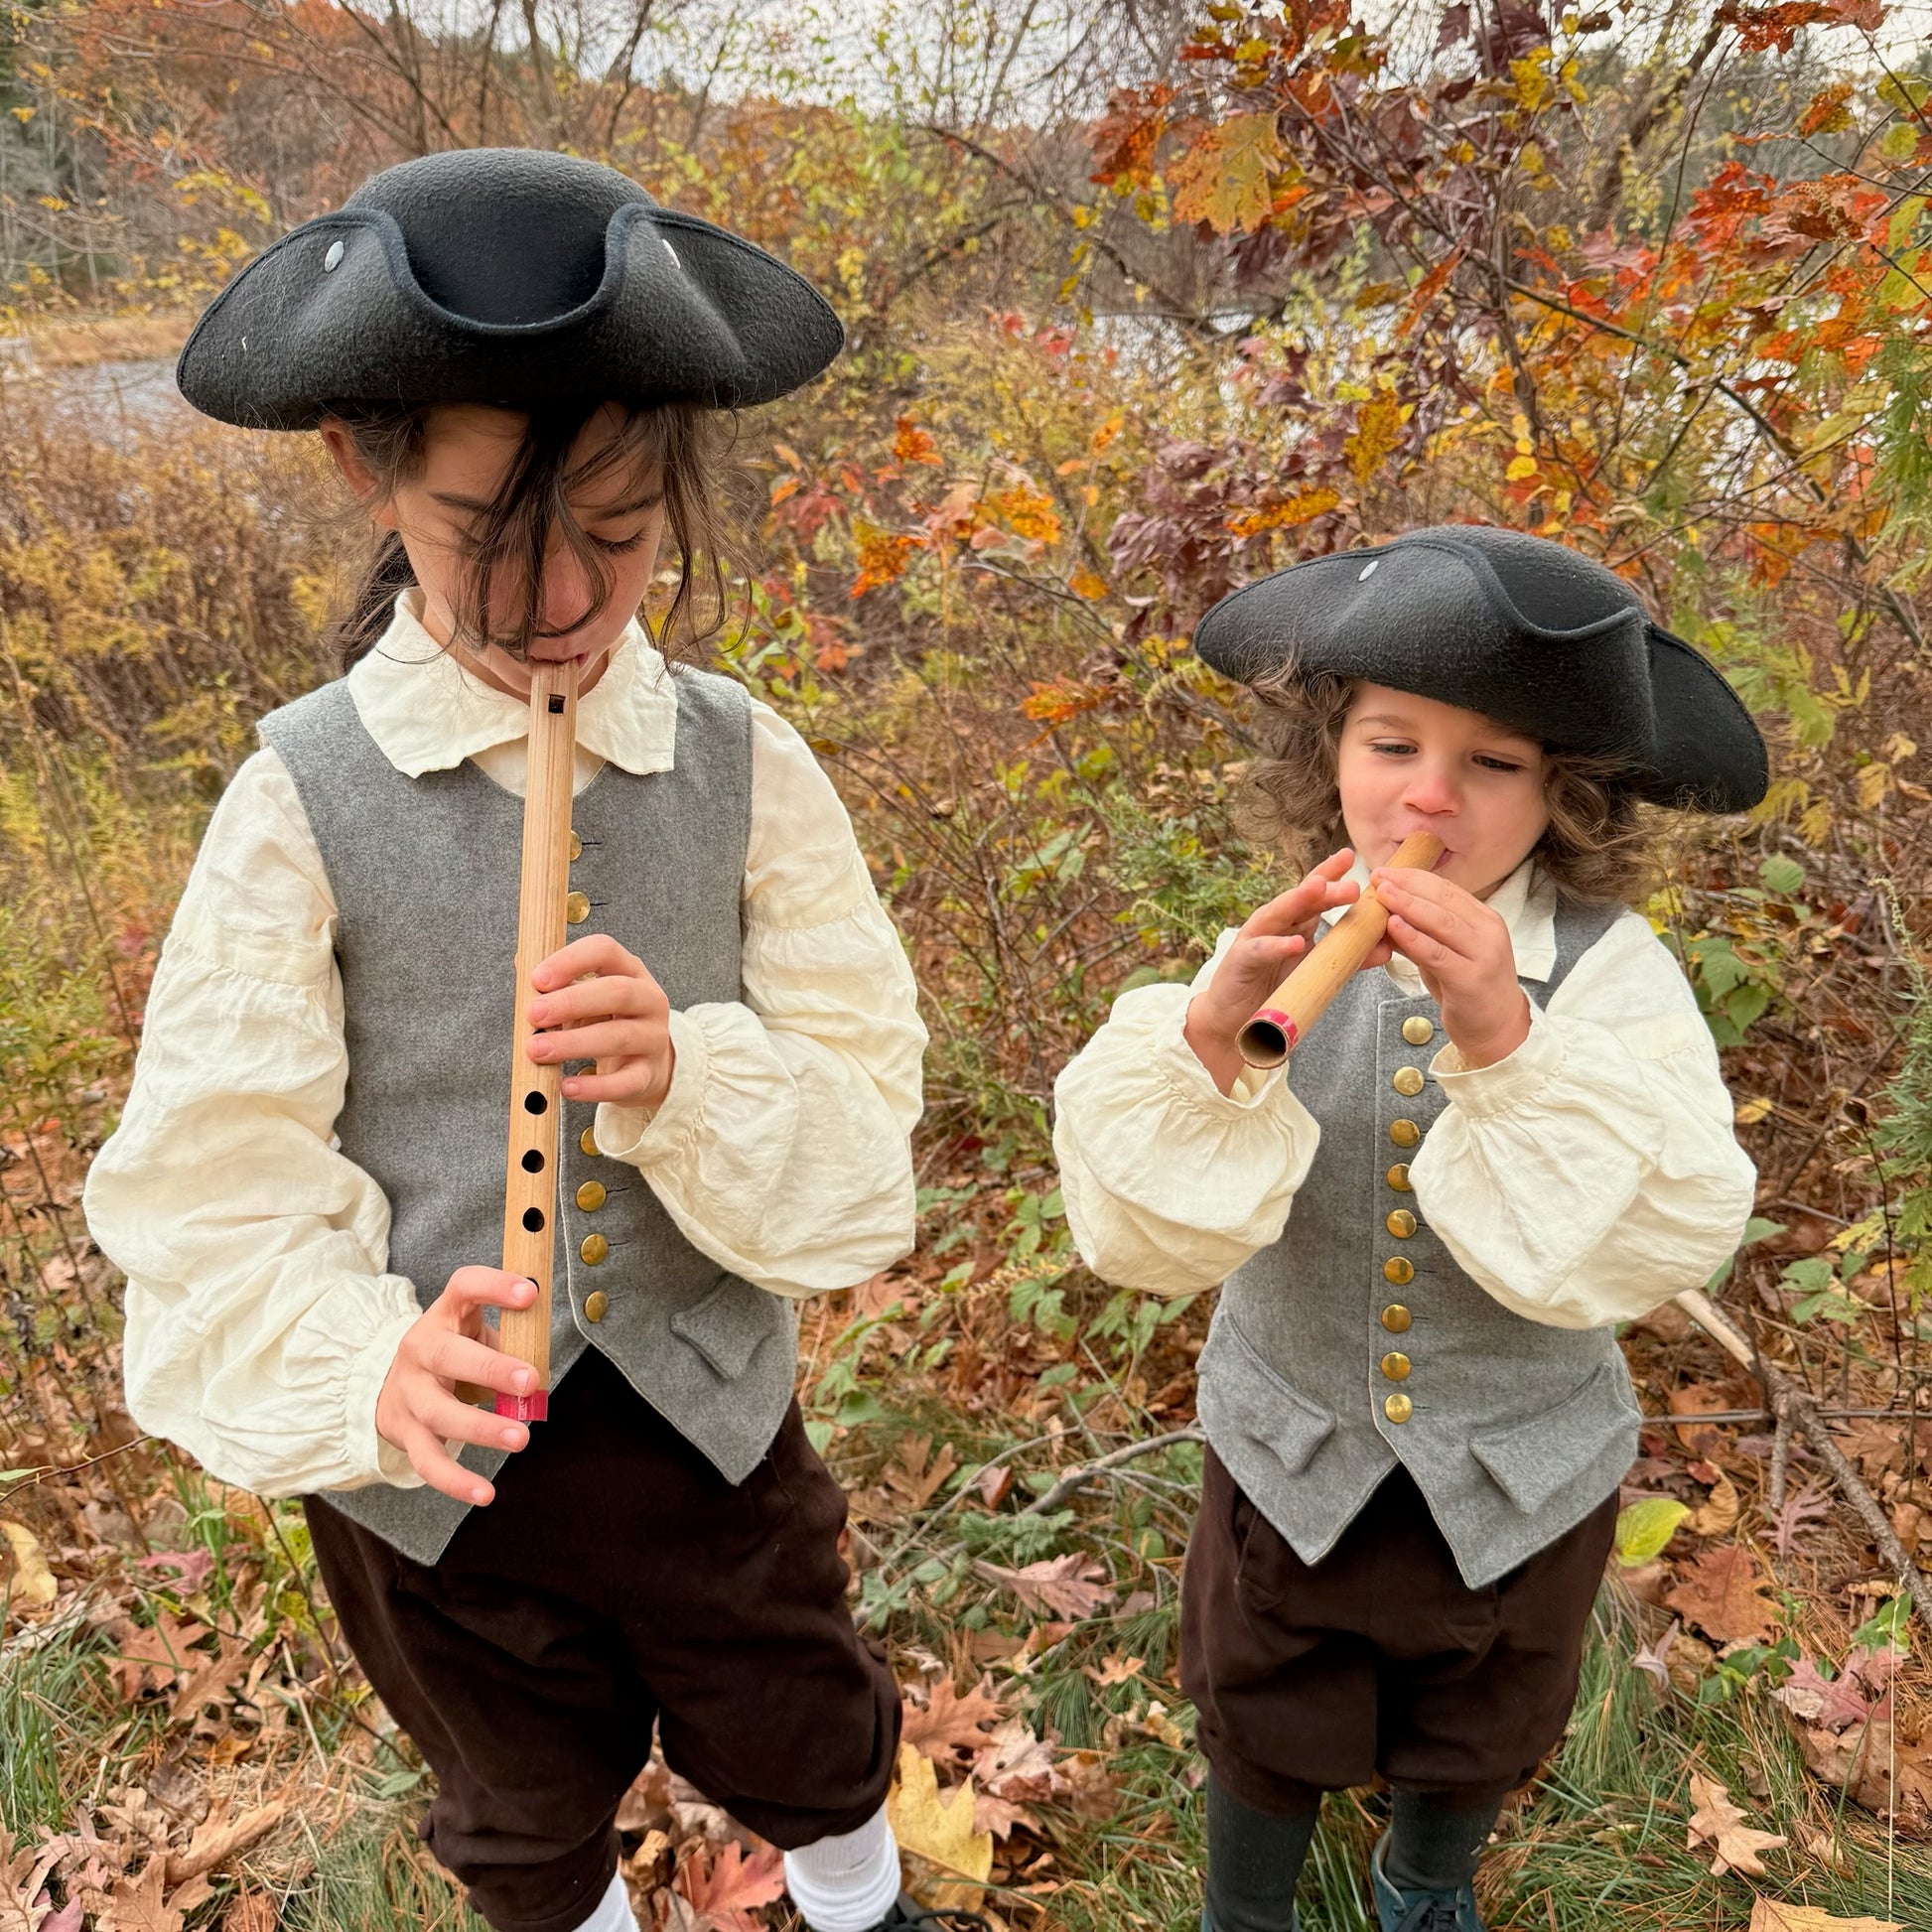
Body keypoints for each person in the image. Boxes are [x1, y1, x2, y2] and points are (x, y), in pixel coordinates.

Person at [84, 148, 958, 1932]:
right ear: (365, 466)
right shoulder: (298, 802)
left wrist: (690, 1077)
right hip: (438, 1491)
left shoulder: (741, 764)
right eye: (490, 531)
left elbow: (866, 1149)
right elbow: (212, 1189)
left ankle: (869, 1907)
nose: (559, 595)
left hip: (704, 1436)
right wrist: (366, 1366)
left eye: (621, 532)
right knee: (522, 1808)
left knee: (802, 1726)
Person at [1051, 526, 1764, 1932]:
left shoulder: (1609, 976)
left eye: (1491, 764)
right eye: (1390, 744)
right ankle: (1244, 1912)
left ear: (1564, 794)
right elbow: (1148, 1228)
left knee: (1479, 1717)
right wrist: (1209, 1045)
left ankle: (1422, 1882)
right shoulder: (1275, 943)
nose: (1428, 795)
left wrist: (1504, 1035)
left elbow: (1665, 1221)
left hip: (1513, 1467)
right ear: (1328, 753)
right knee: (1264, 1710)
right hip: (1295, 1449)